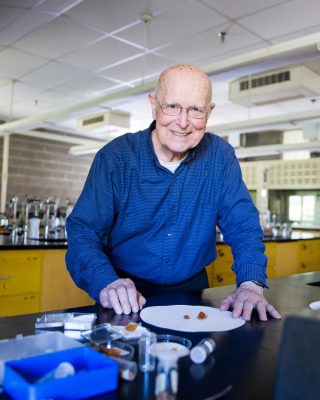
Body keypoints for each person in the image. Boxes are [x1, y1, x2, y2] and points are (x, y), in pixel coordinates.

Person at [66, 64, 281, 322]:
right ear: (154, 105)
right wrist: (105, 282)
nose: (183, 122)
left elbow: (243, 226)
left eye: (195, 110)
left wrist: (250, 284)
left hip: (192, 291)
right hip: (125, 293)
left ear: (209, 112)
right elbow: (84, 232)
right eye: (172, 107)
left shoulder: (220, 157)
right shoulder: (115, 158)